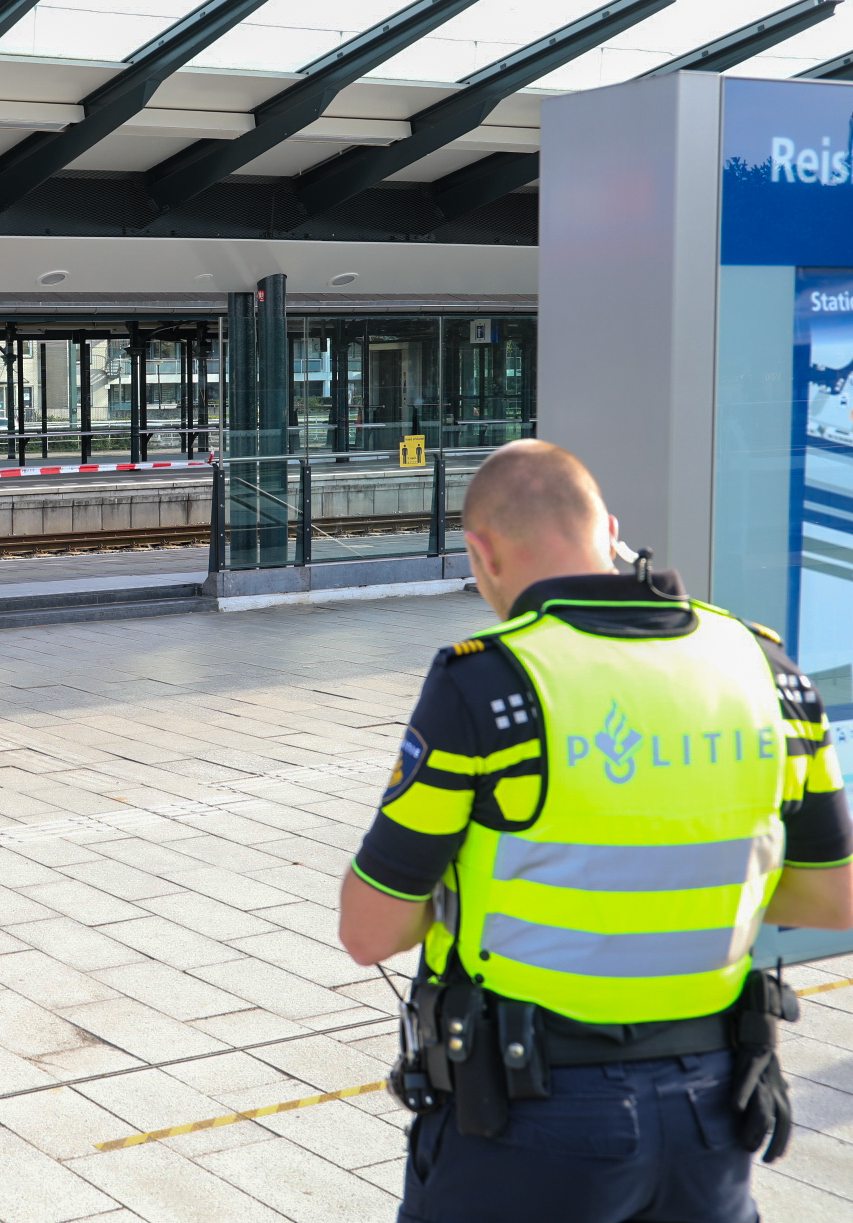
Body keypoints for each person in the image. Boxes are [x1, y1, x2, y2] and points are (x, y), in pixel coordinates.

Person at [338, 439, 853, 1223]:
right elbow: (832, 895)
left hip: (526, 1119)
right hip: (712, 1112)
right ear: (609, 529)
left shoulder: (488, 685)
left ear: (482, 552)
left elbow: (369, 929)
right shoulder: (768, 670)